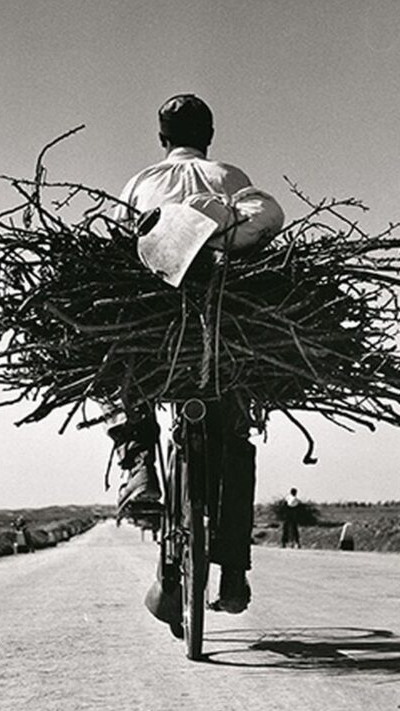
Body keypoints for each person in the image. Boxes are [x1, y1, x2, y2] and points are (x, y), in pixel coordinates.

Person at [110, 94, 284, 633]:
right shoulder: (229, 176)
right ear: (209, 134)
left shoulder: (140, 182)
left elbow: (119, 245)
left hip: (156, 329)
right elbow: (264, 224)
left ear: (162, 140)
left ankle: (140, 468)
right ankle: (232, 573)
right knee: (235, 441)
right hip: (227, 328)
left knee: (127, 371)